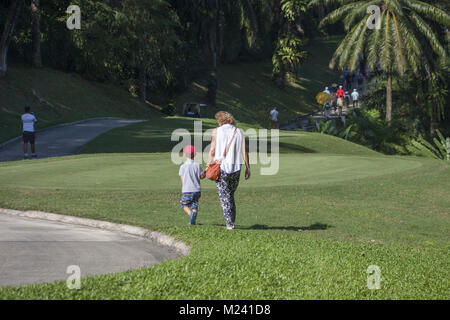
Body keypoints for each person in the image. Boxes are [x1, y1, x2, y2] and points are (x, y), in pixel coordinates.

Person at [208, 111, 250, 230]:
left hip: (221, 167)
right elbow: (244, 151)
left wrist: (208, 165)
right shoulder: (239, 132)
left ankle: (229, 224)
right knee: (230, 194)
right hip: (236, 167)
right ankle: (232, 219)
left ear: (220, 121)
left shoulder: (216, 131)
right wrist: (248, 168)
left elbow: (212, 150)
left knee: (224, 196)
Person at [179, 145, 206, 225]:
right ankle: (192, 221)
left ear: (185, 154)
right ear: (195, 154)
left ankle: (191, 214)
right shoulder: (198, 165)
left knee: (183, 204)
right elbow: (202, 176)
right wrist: (205, 172)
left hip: (187, 189)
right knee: (194, 204)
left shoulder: (182, 166)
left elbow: (182, 180)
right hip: (197, 190)